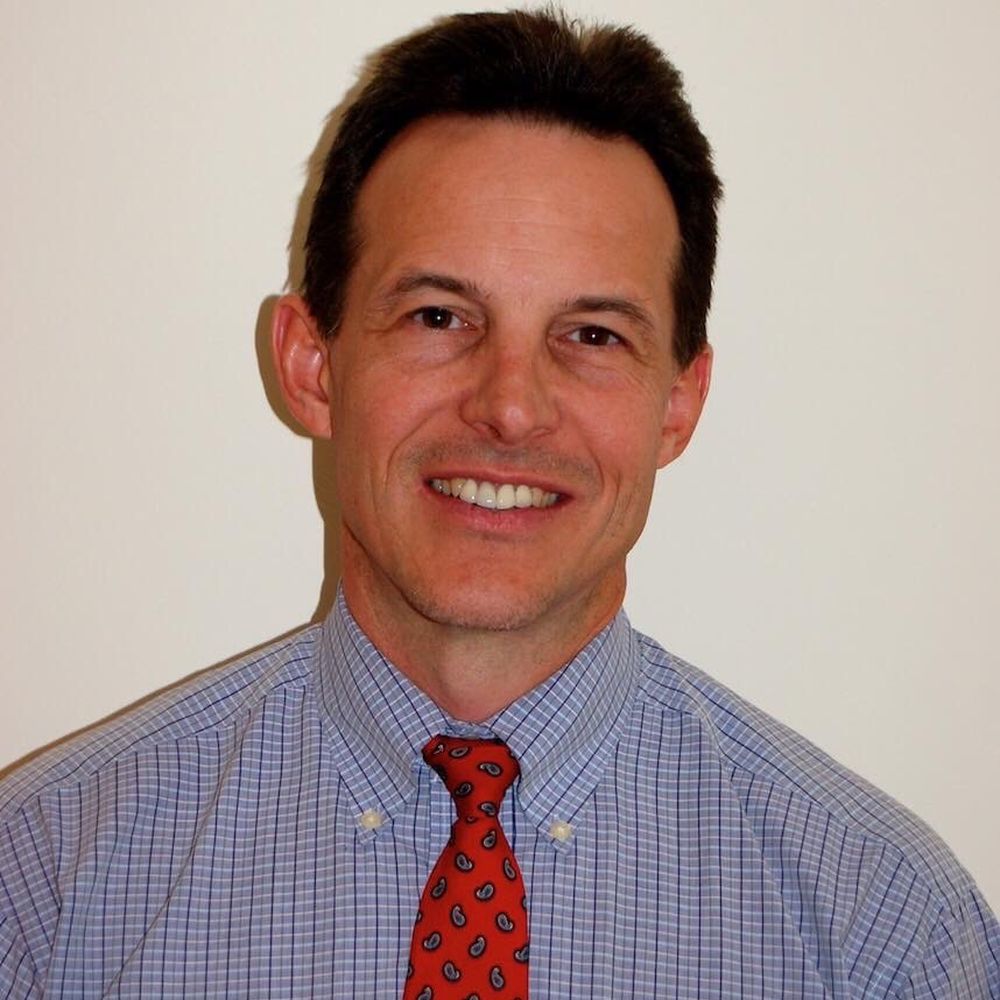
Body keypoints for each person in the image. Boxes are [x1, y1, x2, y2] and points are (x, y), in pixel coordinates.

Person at [0, 8, 996, 998]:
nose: (511, 407)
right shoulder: (43, 890)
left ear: (679, 404)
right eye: (439, 316)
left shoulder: (884, 935)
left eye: (593, 335)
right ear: (312, 365)